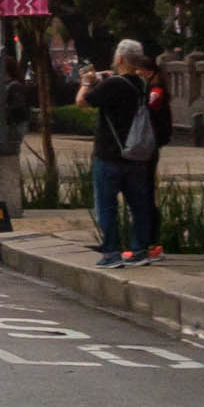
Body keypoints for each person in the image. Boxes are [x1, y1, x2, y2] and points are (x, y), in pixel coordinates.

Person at [83, 40, 169, 265]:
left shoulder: (113, 84)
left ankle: (111, 253)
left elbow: (83, 101)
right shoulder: (143, 84)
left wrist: (86, 82)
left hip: (110, 154)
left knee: (107, 206)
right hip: (137, 154)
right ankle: (140, 250)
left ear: (120, 58)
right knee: (139, 205)